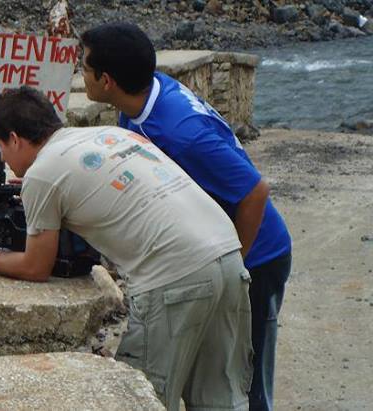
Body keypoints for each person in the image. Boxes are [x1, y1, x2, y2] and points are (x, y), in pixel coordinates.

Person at [0, 86, 252, 411]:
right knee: (222, 400)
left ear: (15, 139)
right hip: (228, 254)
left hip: (174, 274)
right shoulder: (107, 134)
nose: (2, 158)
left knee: (141, 399)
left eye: (0, 146)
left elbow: (36, 267)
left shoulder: (43, 175)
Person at [79, 22, 292, 411]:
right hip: (207, 252)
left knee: (243, 379)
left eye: (84, 67)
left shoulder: (182, 132)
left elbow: (255, 192)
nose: (80, 73)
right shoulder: (139, 102)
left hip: (257, 256)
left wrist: (236, 269)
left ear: (106, 81)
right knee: (205, 375)